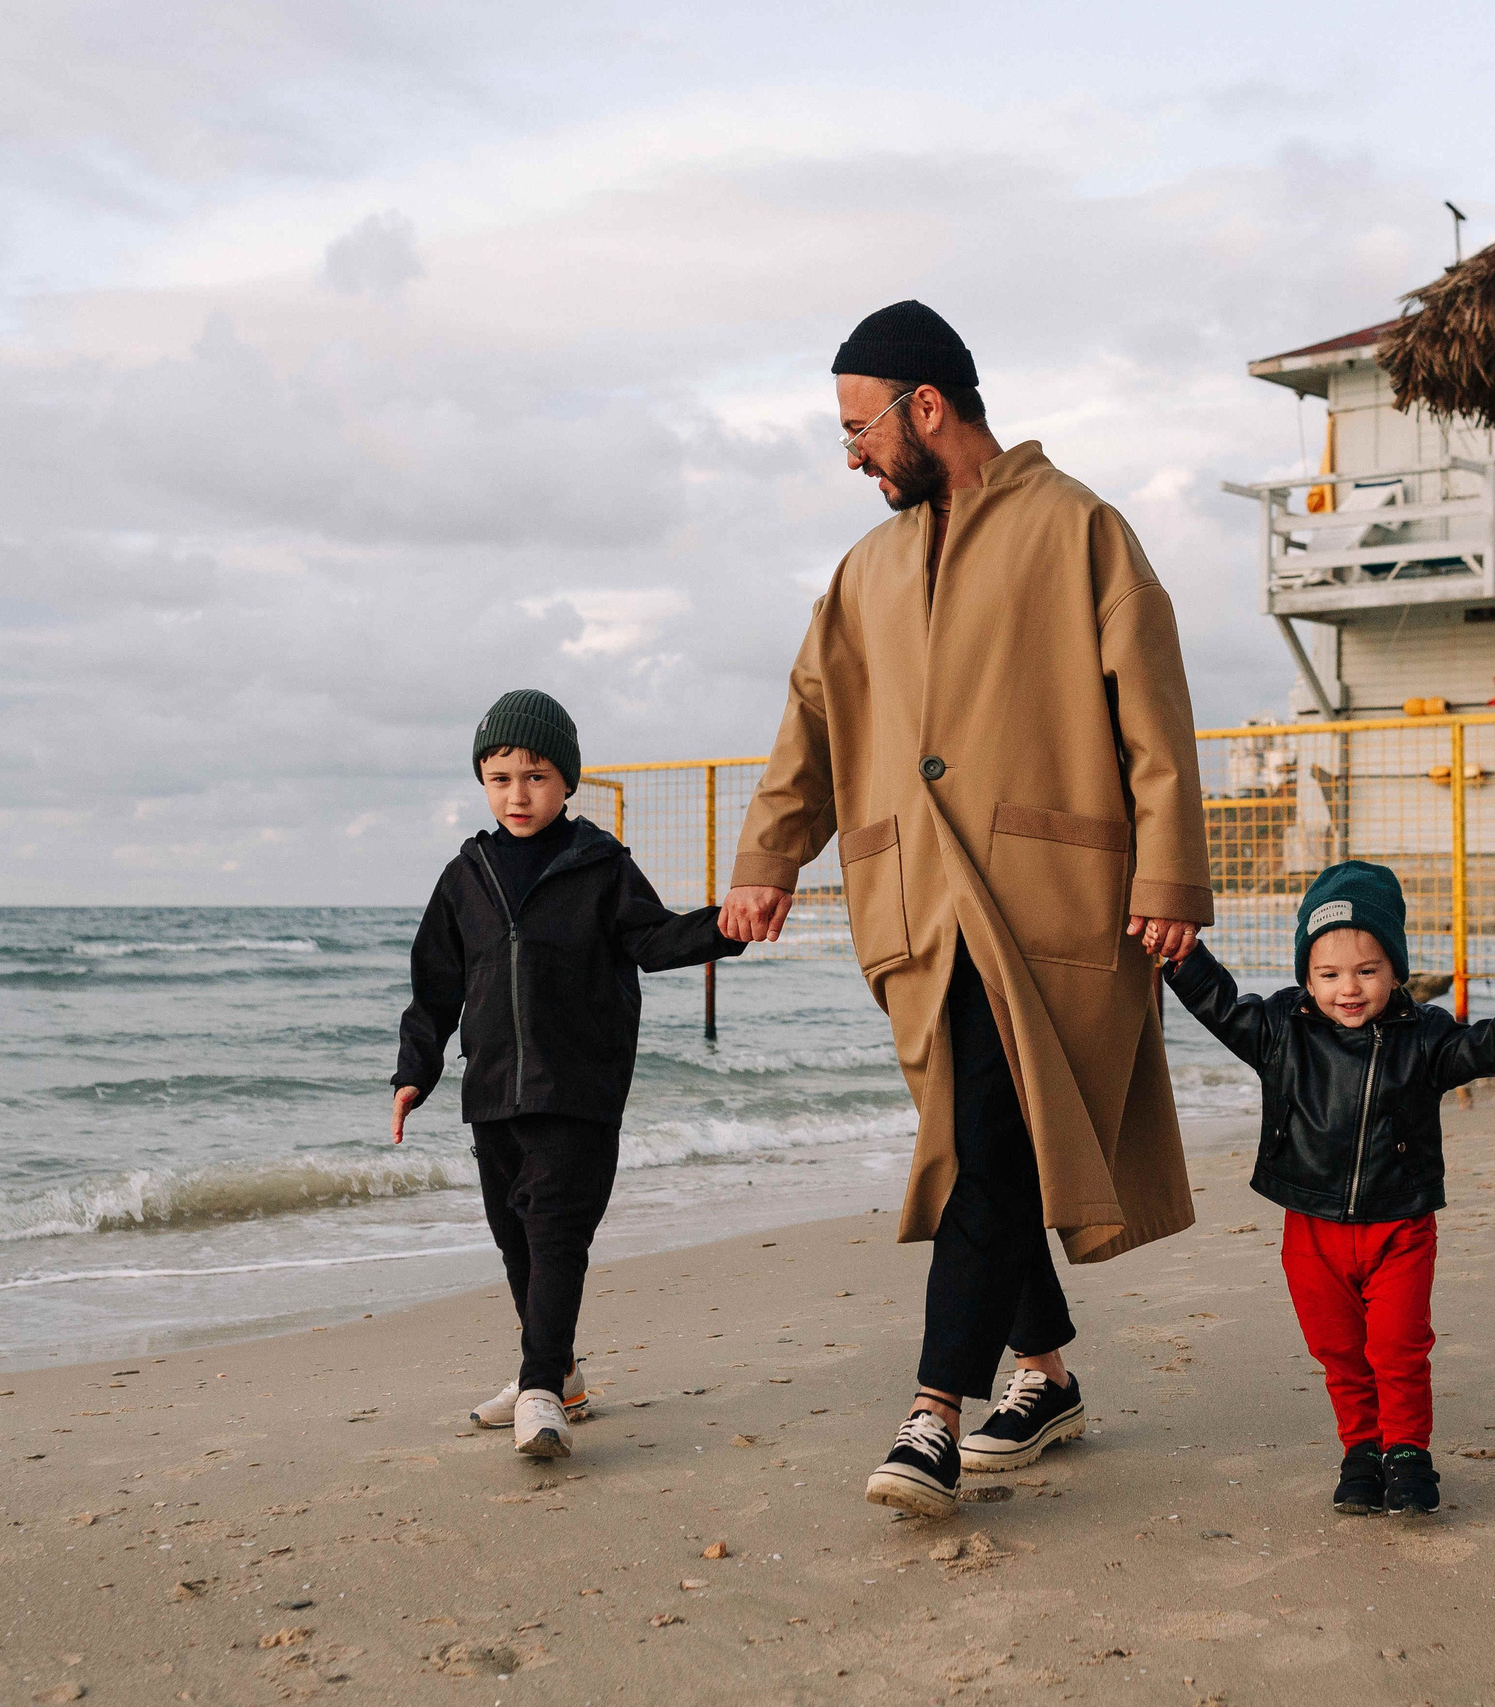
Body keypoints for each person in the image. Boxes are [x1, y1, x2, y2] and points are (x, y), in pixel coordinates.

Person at [718, 300, 1214, 1519]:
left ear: (923, 407)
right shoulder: (865, 570)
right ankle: (1043, 1376)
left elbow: (1154, 713)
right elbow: (812, 725)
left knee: (984, 1148)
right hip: (911, 907)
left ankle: (933, 1413)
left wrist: (1168, 876)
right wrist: (768, 858)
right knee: (997, 1143)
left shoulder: (1079, 528)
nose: (849, 455)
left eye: (856, 428)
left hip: (1053, 898)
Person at [393, 689, 743, 1458]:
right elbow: (435, 984)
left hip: (579, 1089)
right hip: (492, 1095)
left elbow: (654, 938)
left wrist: (727, 924)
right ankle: (561, 1373)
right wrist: (414, 1069)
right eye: (501, 777)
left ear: (569, 781)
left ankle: (540, 1388)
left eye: (537, 776)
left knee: (556, 1235)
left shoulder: (600, 865)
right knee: (514, 1238)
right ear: (483, 781)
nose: (519, 793)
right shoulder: (467, 874)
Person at [1164, 862, 1495, 1516]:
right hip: (1311, 1230)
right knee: (1340, 1351)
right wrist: (1183, 957)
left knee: (1397, 1347)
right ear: (1305, 977)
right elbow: (1222, 1006)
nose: (1349, 988)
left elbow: (1481, 1049)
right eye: (1329, 974)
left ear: (1395, 969)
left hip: (1399, 1224)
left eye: (1368, 970)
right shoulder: (1281, 1030)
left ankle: (1406, 1453)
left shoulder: (1422, 1036)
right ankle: (1361, 1450)